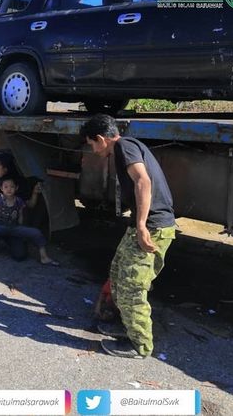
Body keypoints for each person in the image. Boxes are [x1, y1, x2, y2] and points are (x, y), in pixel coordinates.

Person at [80, 114, 176, 359]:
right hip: (140, 226)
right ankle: (129, 327)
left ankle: (140, 345)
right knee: (117, 274)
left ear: (101, 139)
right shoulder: (127, 147)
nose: (93, 150)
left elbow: (143, 181)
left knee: (132, 287)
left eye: (92, 144)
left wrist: (142, 225)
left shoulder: (123, 146)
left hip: (153, 227)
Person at [0, 176, 59, 267]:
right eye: (6, 187)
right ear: (1, 188)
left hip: (14, 228)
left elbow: (30, 205)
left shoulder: (19, 201)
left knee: (36, 233)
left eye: (12, 187)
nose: (9, 189)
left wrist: (35, 193)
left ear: (16, 188)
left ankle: (44, 257)